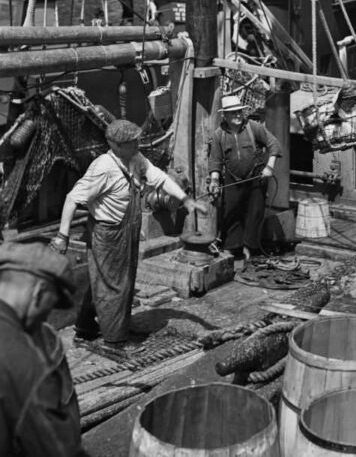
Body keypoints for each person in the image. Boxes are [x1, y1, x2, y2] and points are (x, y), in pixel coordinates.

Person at [50, 119, 207, 350]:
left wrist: (186, 200)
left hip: (127, 231)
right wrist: (62, 235)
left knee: (107, 282)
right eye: (132, 141)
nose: (138, 143)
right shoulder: (103, 167)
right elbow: (73, 198)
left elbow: (159, 177)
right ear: (116, 145)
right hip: (107, 235)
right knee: (115, 287)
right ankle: (115, 341)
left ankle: (85, 327)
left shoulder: (135, 159)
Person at [0, 239, 87, 456]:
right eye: (51, 305)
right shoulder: (26, 364)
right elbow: (60, 450)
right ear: (39, 292)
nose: (46, 316)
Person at [208, 95, 282, 260]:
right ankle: (233, 248)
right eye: (233, 113)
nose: (237, 115)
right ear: (225, 116)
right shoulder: (219, 135)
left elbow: (274, 144)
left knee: (254, 212)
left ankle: (250, 248)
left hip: (256, 177)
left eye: (239, 111)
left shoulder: (253, 127)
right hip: (232, 179)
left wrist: (270, 166)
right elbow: (215, 160)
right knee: (231, 211)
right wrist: (214, 180)